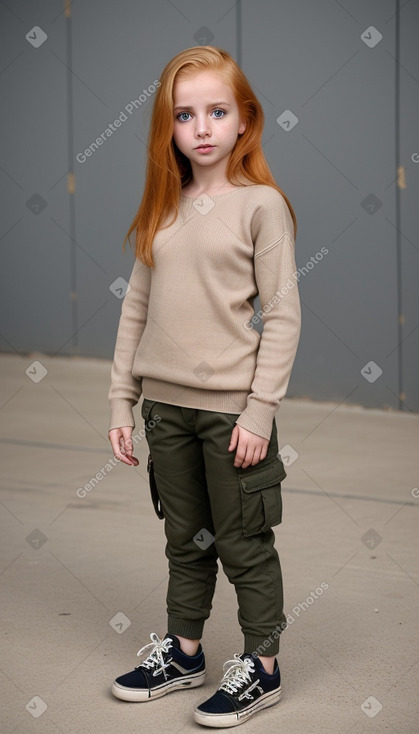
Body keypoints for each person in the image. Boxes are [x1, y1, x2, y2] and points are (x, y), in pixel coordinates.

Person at [107, 45, 301, 728]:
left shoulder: (260, 207)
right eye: (185, 115)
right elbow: (135, 310)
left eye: (217, 111)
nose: (202, 127)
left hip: (230, 417)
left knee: (242, 542)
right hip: (165, 410)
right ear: (168, 128)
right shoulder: (163, 208)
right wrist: (121, 403)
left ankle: (262, 666)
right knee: (184, 540)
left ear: (244, 120)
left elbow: (281, 316)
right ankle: (184, 652)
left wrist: (258, 412)